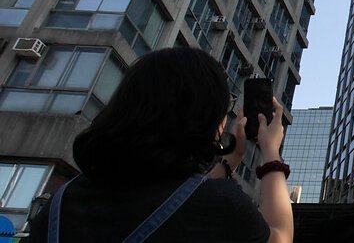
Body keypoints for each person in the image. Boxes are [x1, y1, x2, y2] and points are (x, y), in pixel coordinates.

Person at [27, 48, 294, 243]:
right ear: (202, 118)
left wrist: (229, 160)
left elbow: (179, 196)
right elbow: (279, 237)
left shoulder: (62, 203)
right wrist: (270, 150)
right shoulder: (220, 206)